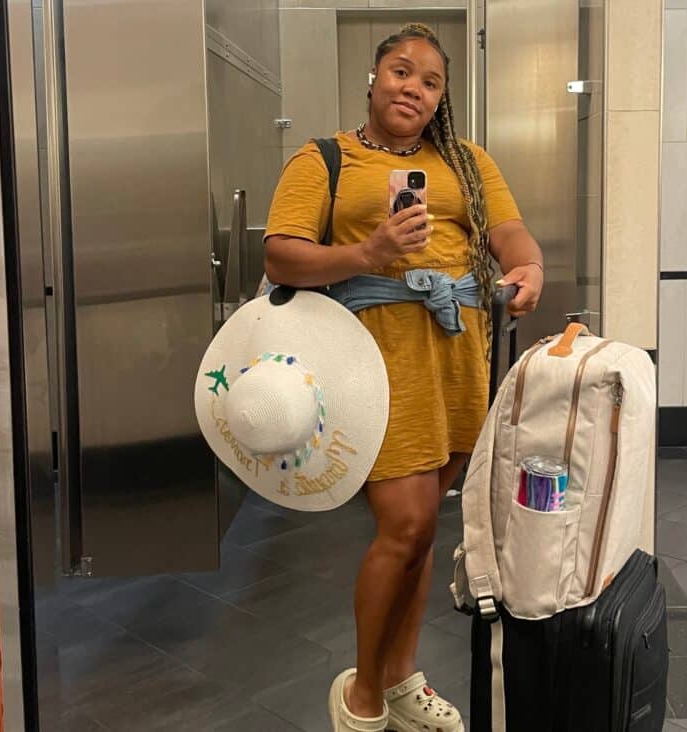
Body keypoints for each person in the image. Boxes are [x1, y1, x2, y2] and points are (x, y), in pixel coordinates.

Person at [264, 22, 544, 732]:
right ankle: (360, 692)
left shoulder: (468, 161)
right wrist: (370, 249)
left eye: (430, 81)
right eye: (400, 70)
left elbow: (509, 234)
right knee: (406, 522)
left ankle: (399, 680)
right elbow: (282, 257)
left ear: (441, 97)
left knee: (422, 535)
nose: (412, 88)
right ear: (373, 77)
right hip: (370, 363)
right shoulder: (325, 158)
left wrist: (529, 266)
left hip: (456, 360)